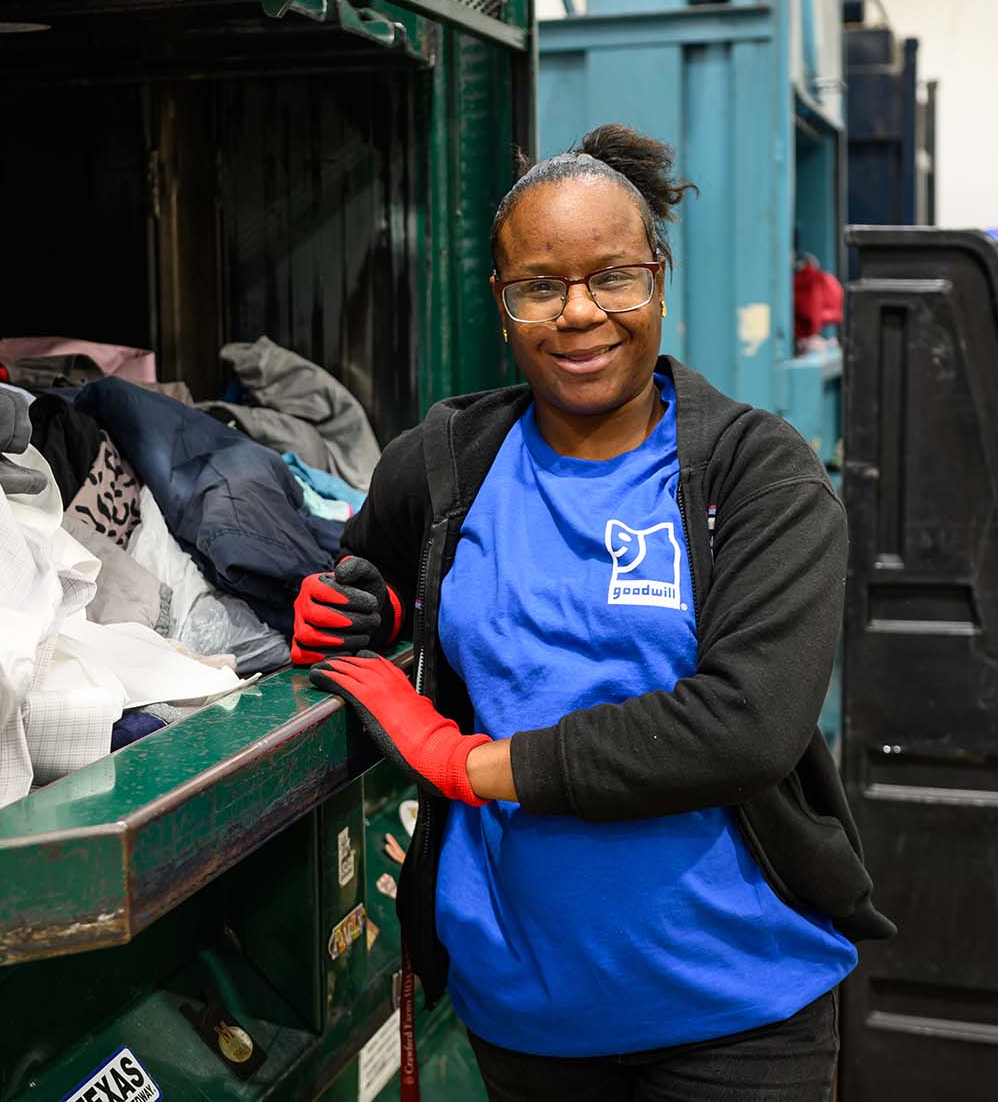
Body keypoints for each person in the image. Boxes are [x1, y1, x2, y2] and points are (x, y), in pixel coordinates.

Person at [291, 125, 893, 1100]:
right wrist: (359, 603)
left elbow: (746, 723)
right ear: (501, 304)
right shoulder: (445, 459)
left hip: (735, 1015)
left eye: (612, 277)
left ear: (656, 278)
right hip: (522, 1010)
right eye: (539, 286)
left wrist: (467, 762)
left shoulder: (753, 473)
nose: (579, 314)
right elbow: (388, 571)